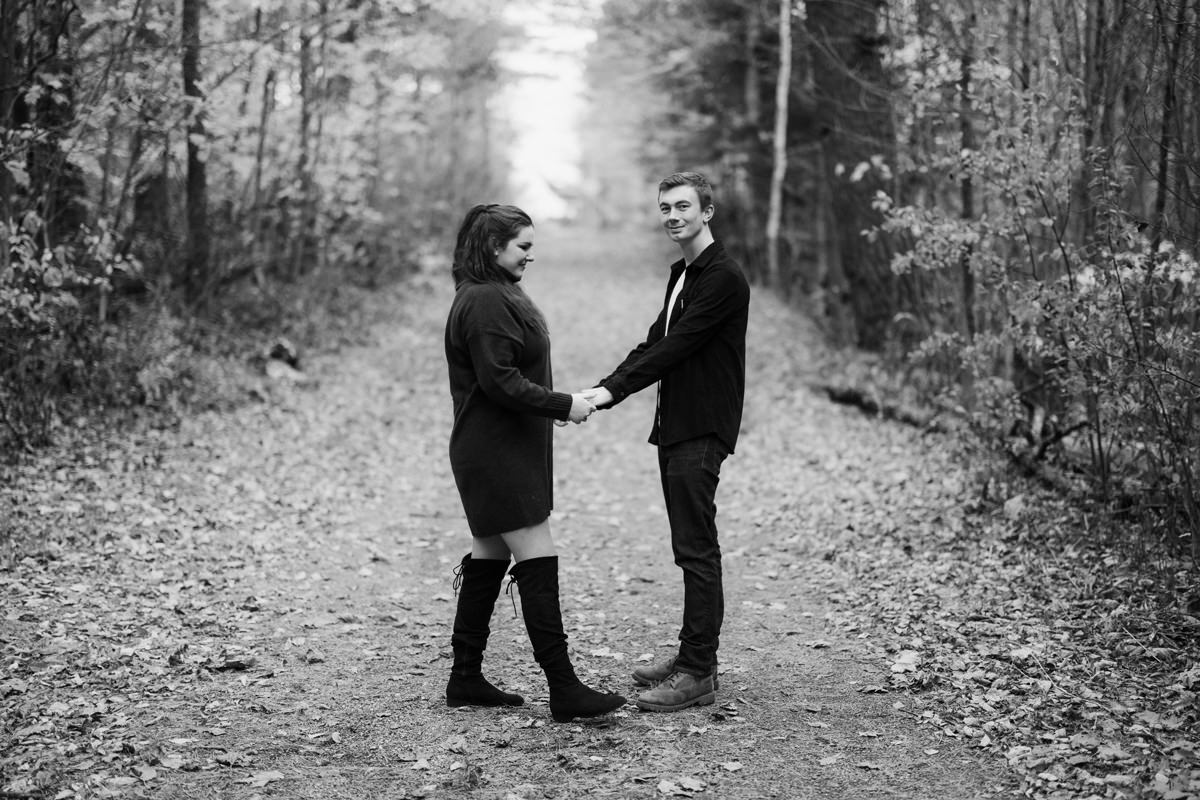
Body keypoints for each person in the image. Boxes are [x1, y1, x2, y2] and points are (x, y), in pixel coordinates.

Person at [443, 203, 626, 723]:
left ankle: (465, 677)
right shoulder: (482, 301)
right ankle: (564, 688)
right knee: (537, 559)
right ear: (493, 247)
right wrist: (562, 403)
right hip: (495, 452)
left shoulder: (493, 294)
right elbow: (499, 381)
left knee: (488, 557)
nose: (531, 254)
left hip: (501, 447)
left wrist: (555, 403)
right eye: (522, 245)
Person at [583, 172, 750, 712]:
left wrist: (612, 394)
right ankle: (689, 656)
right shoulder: (684, 273)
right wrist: (603, 387)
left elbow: (678, 347)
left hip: (702, 428)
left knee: (697, 549)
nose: (673, 215)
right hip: (677, 426)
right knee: (687, 547)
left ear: (708, 212)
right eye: (665, 207)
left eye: (683, 206)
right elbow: (655, 341)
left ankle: (699, 672)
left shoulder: (723, 277)